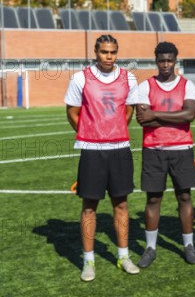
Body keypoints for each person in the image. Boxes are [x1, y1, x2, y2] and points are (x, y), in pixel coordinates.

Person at [64, 34, 140, 282]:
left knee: (121, 205)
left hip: (119, 148)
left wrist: (114, 131)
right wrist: (91, 133)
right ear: (95, 51)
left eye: (113, 52)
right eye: (105, 52)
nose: (109, 57)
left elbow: (129, 109)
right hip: (92, 150)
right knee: (89, 207)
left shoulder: (129, 78)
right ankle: (89, 261)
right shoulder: (79, 78)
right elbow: (72, 112)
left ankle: (123, 256)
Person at [136, 42, 195, 268]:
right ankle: (150, 247)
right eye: (161, 60)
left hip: (181, 149)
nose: (165, 64)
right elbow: (142, 118)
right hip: (153, 149)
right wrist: (174, 114)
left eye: (169, 60)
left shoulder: (187, 85)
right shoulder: (145, 86)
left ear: (175, 60)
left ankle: (189, 246)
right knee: (153, 198)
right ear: (156, 61)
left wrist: (155, 114)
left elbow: (190, 115)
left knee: (184, 197)